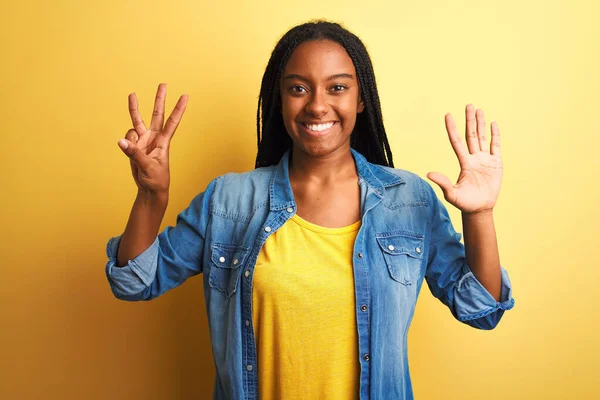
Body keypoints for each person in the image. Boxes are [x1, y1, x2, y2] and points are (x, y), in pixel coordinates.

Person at [106, 20, 515, 400]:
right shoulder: (228, 201)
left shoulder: (409, 200)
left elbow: (480, 309)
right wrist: (151, 197)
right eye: (299, 88)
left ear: (361, 100)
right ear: (279, 100)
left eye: (337, 87)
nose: (317, 105)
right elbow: (135, 282)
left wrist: (479, 215)